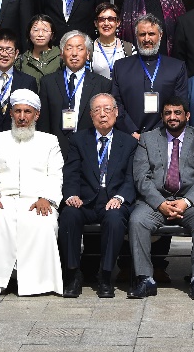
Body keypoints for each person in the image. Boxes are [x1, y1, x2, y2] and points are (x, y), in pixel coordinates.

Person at [0, 89, 65, 298]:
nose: (22, 117)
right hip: (4, 198)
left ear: (37, 115)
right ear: (11, 113)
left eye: (28, 112)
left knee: (42, 221)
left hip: (37, 200)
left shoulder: (50, 141)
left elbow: (55, 175)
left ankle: (36, 282)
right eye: (17, 111)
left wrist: (46, 198)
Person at [127, 97, 194, 301]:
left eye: (177, 112)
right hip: (156, 201)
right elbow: (141, 177)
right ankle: (145, 279)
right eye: (167, 113)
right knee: (137, 220)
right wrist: (160, 203)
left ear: (187, 115)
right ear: (162, 116)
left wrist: (186, 202)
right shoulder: (147, 139)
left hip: (191, 202)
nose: (172, 117)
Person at [58, 93, 137, 298]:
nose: (103, 114)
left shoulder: (128, 142)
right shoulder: (78, 139)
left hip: (113, 200)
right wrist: (71, 195)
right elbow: (71, 172)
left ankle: (106, 275)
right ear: (91, 115)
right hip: (84, 200)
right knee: (68, 215)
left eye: (107, 109)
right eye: (97, 110)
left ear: (116, 113)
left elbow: (131, 178)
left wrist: (120, 198)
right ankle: (73, 274)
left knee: (115, 219)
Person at [110, 14, 188, 135]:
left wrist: (155, 134)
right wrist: (132, 131)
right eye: (142, 34)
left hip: (164, 136)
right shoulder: (121, 67)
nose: (147, 39)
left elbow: (180, 104)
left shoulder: (176, 67)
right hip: (128, 136)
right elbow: (116, 103)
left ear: (160, 35)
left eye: (151, 34)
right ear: (136, 36)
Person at [37, 30, 113, 151]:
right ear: (62, 54)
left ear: (88, 54)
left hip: (89, 148)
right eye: (69, 48)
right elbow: (43, 123)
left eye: (80, 48)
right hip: (56, 148)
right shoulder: (48, 82)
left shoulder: (102, 84)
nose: (74, 53)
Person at [89, 2, 135, 79]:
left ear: (118, 23)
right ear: (96, 23)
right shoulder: (89, 49)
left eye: (111, 19)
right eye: (101, 19)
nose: (106, 23)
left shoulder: (129, 49)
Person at [17, 14, 63, 81]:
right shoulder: (21, 60)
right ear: (29, 34)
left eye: (45, 30)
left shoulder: (61, 58)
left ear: (52, 35)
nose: (40, 34)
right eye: (36, 30)